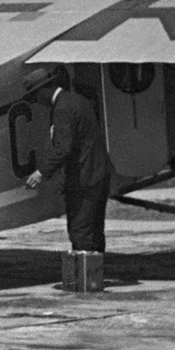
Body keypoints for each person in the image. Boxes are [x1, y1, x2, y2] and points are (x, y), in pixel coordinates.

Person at [23, 67, 113, 253]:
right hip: (99, 174)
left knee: (80, 231)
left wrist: (41, 172)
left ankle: (85, 279)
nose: (38, 102)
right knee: (95, 229)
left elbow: (63, 148)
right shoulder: (77, 100)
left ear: (43, 91)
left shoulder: (62, 109)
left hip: (84, 178)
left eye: (36, 97)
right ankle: (94, 277)